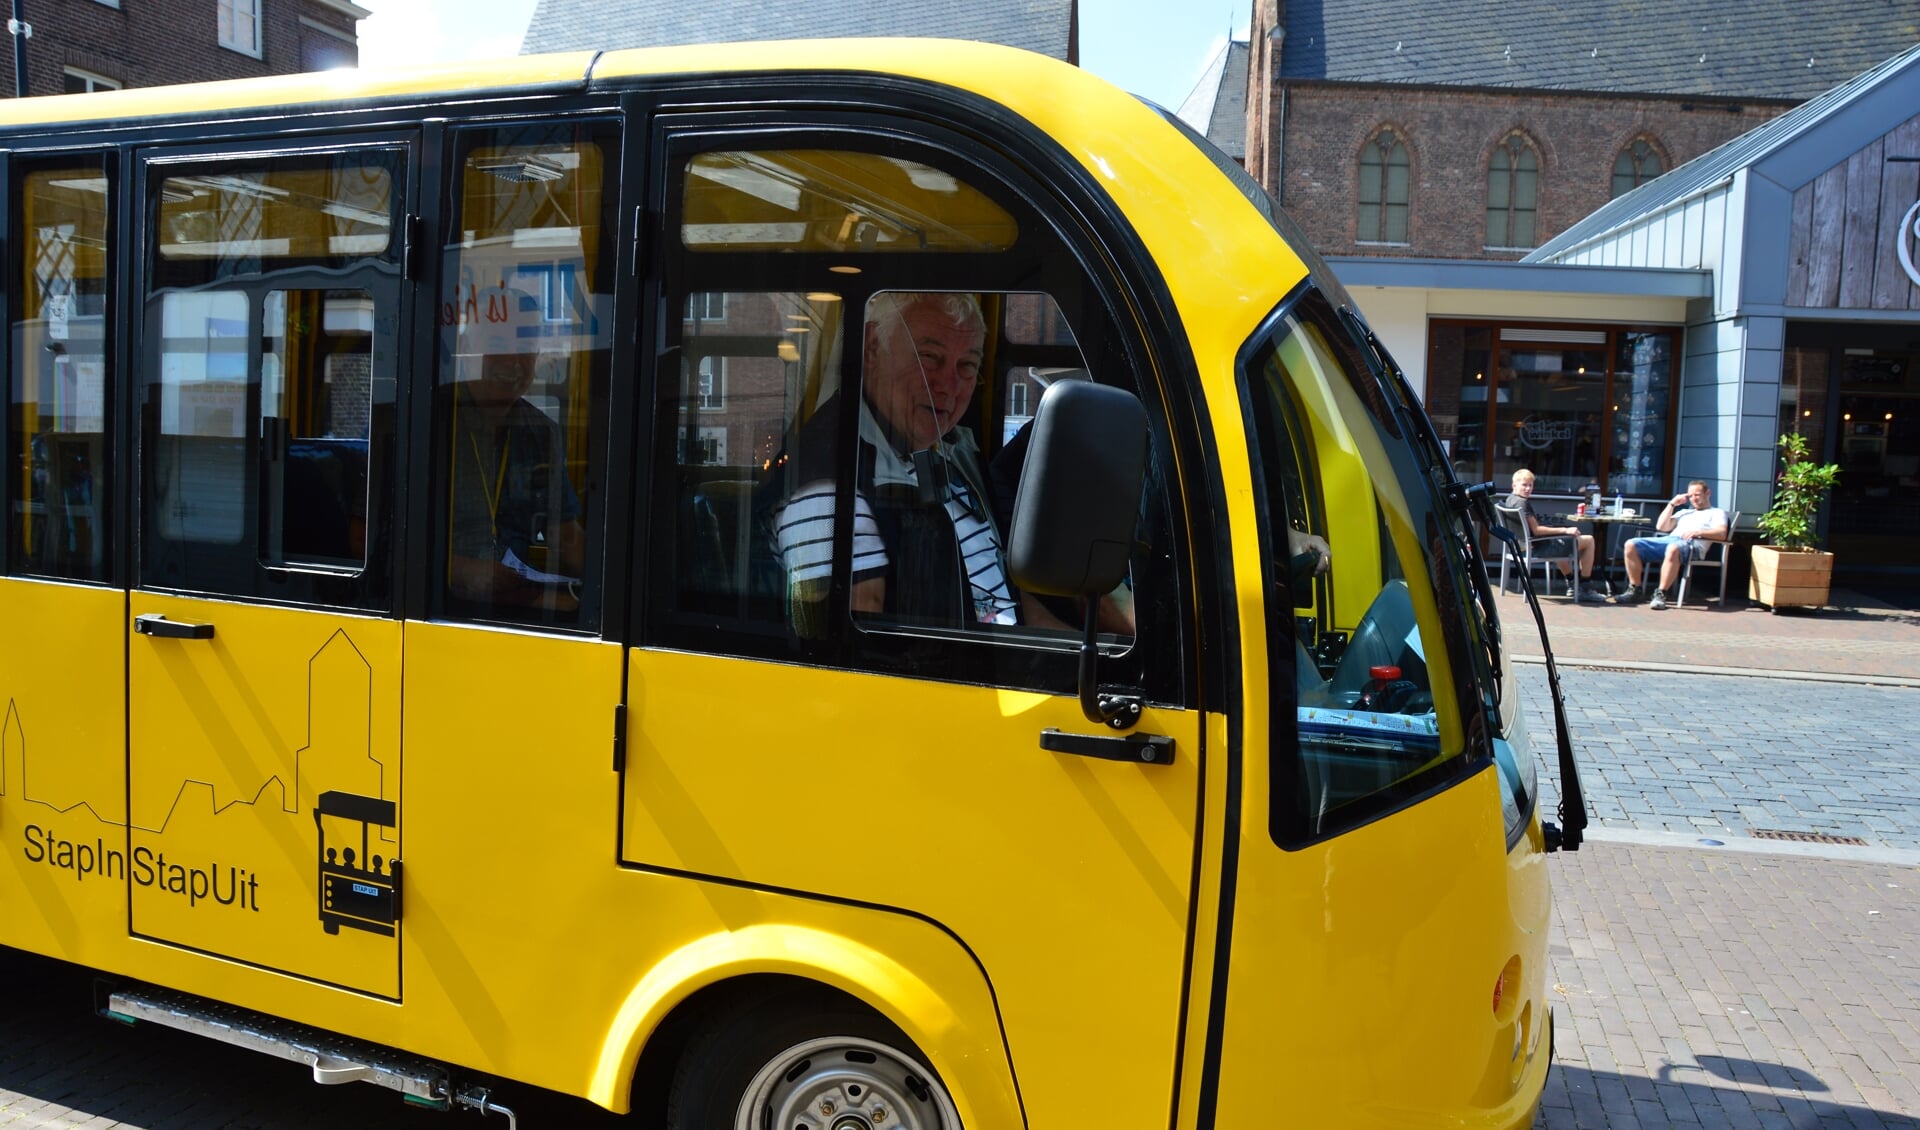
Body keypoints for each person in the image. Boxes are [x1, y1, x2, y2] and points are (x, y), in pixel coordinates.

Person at [770, 291, 1045, 629]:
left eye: (967, 365)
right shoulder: (827, 485)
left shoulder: (954, 453)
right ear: (872, 347)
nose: (949, 386)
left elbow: (1008, 596)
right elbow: (859, 653)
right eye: (929, 357)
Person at [444, 287, 586, 611]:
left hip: (514, 609)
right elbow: (364, 538)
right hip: (434, 607)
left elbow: (564, 533)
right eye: (497, 345)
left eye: (524, 347)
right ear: (466, 349)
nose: (513, 361)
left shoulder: (542, 433)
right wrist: (462, 570)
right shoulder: (425, 422)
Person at [1617, 479, 1728, 610]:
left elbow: (1722, 533)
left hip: (1693, 545)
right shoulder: (1685, 512)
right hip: (1669, 539)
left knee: (1673, 548)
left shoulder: (1717, 512)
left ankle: (1661, 594)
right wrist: (1672, 504)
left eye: (1697, 495)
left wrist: (1698, 532)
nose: (1693, 499)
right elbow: (1661, 527)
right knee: (1631, 544)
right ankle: (1635, 590)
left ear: (1708, 493)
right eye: (1690, 496)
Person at [1504, 468, 1606, 602]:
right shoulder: (1523, 503)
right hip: (1536, 549)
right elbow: (1537, 531)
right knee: (1589, 540)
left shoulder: (1510, 500)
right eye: (1524, 485)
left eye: (1530, 485)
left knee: (1560, 542)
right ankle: (1585, 587)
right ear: (1514, 485)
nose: (1528, 489)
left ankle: (1572, 583)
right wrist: (1565, 530)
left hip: (1520, 547)